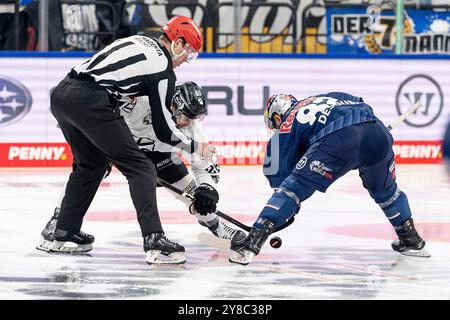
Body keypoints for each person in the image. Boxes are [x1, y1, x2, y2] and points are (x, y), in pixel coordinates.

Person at [46, 15, 215, 265]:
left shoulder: (139, 40)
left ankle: (62, 233)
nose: (184, 62)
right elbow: (163, 128)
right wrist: (194, 147)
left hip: (62, 95)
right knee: (142, 169)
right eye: (188, 54)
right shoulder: (162, 68)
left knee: (90, 166)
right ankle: (154, 239)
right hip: (92, 103)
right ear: (177, 43)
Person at [38, 81, 245, 261]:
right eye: (185, 117)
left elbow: (204, 162)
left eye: (193, 119)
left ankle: (215, 225)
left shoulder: (191, 126)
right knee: (89, 170)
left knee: (193, 192)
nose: (188, 123)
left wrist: (208, 188)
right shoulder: (141, 100)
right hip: (118, 143)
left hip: (158, 155)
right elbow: (100, 105)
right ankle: (58, 221)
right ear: (173, 105)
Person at [229, 92, 430, 265]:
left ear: (276, 115)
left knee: (291, 189)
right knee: (386, 192)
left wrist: (283, 209)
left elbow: (279, 176)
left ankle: (252, 241)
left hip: (341, 138)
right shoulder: (324, 97)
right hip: (378, 131)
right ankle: (410, 238)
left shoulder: (288, 121)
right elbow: (361, 103)